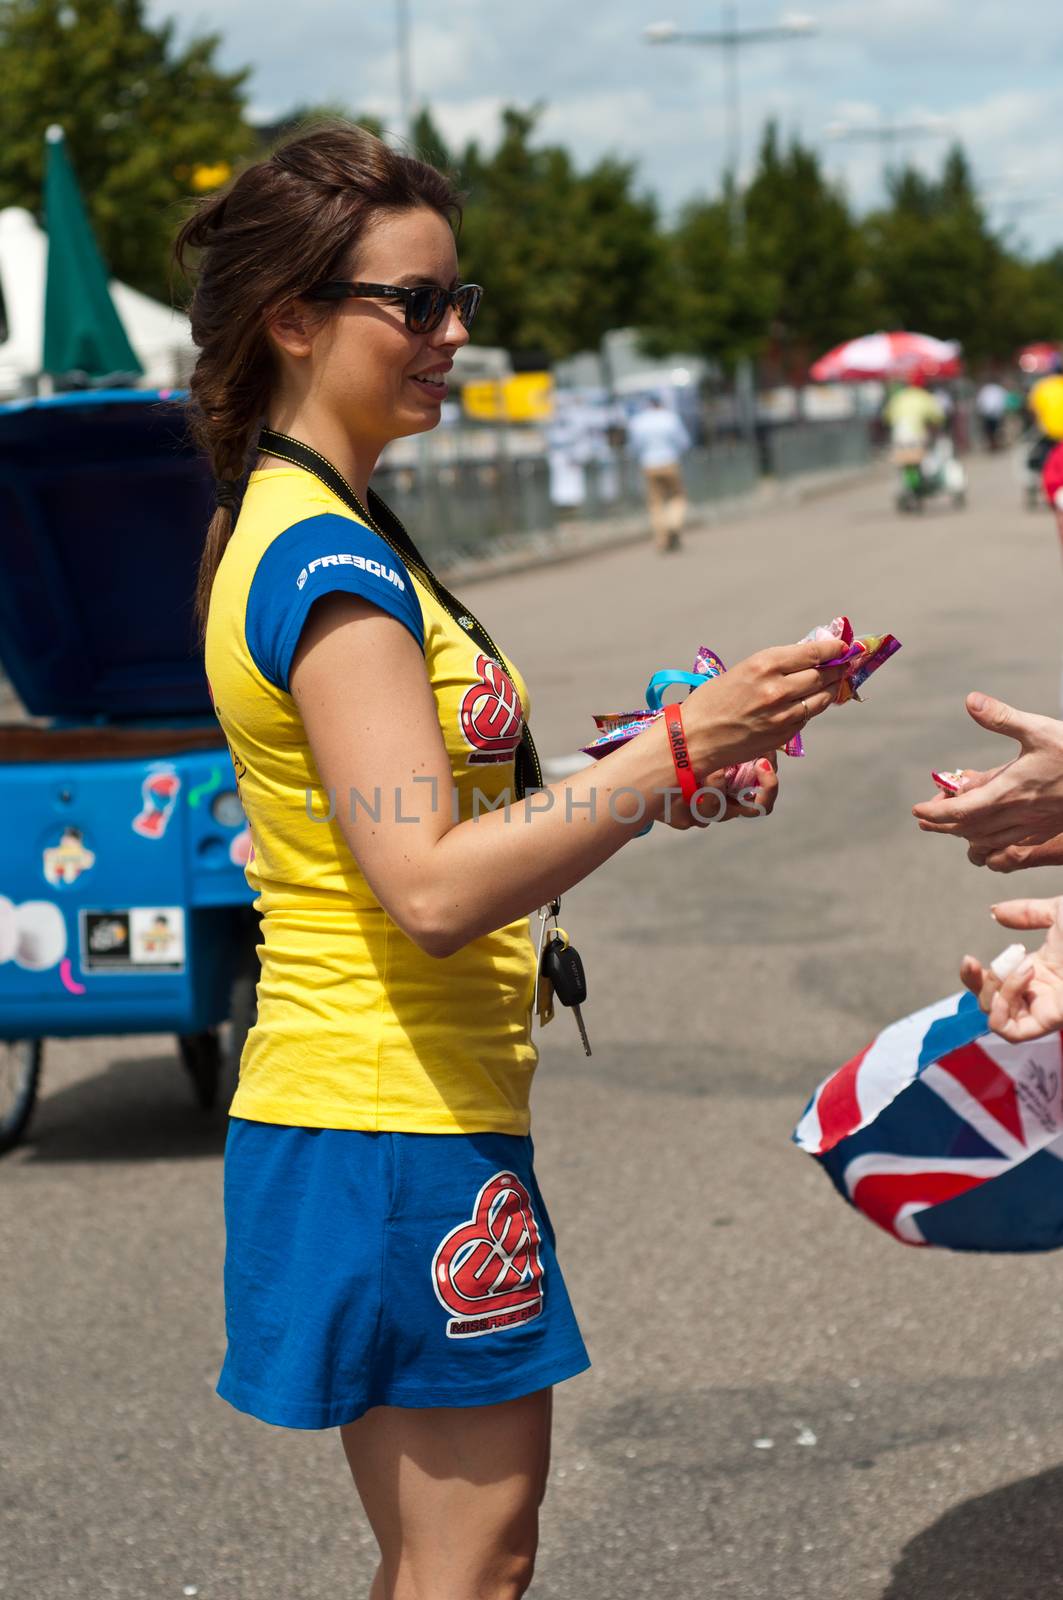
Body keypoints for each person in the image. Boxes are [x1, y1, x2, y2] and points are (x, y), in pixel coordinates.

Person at [176, 123, 846, 1600]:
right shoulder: (324, 564)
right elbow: (424, 885)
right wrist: (669, 753)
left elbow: (435, 816)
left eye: (455, 297)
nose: (454, 332)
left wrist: (662, 777)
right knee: (474, 1566)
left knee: (440, 1562)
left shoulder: (308, 520)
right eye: (413, 303)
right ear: (292, 315)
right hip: (388, 1106)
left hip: (383, 1100)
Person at [626, 394, 692, 553]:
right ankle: (673, 524)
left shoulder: (638, 421)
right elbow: (684, 442)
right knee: (677, 497)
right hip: (670, 461)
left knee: (655, 503)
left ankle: (662, 538)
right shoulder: (670, 418)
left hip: (648, 464)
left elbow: (634, 447)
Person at [975, 378, 1009, 451]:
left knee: (991, 430)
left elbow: (980, 401)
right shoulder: (998, 389)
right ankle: (994, 444)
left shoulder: (985, 389)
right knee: (995, 430)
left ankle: (994, 444)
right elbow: (1004, 400)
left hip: (989, 413)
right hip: (995, 413)